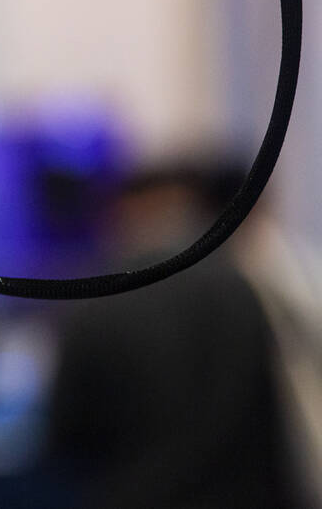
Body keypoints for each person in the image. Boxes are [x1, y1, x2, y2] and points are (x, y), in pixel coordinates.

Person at [45, 161, 301, 508]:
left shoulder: (98, 300)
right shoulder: (245, 287)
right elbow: (282, 411)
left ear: (124, 211)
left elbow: (65, 434)